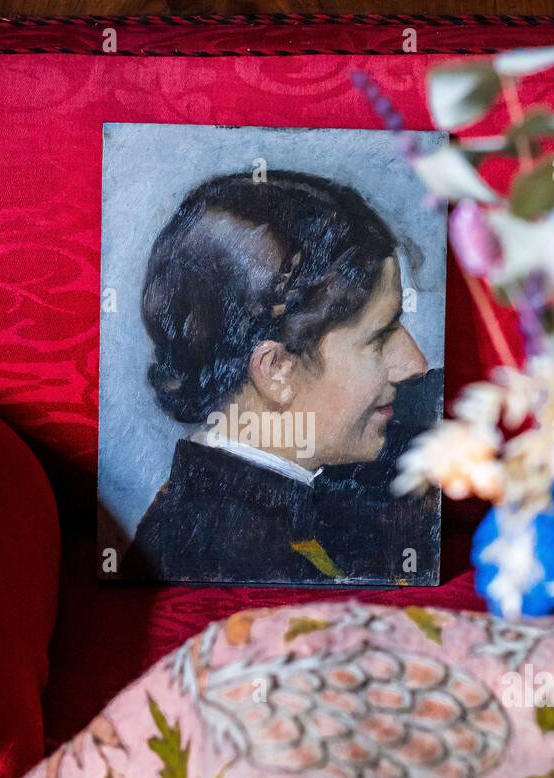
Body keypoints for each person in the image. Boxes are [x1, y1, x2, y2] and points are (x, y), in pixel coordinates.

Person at [126, 170, 439, 584]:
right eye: (379, 337)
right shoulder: (220, 551)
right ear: (276, 369)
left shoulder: (265, 508)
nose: (415, 363)